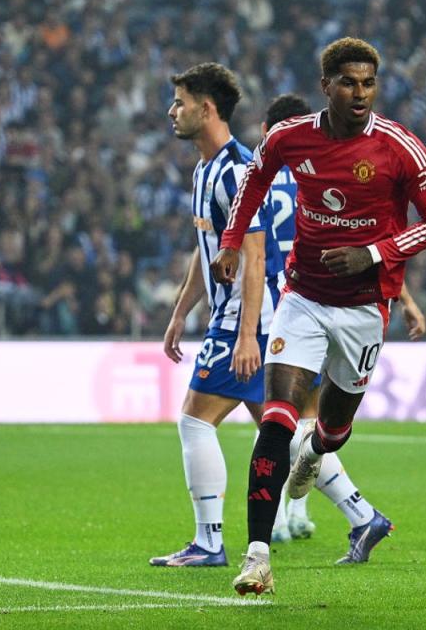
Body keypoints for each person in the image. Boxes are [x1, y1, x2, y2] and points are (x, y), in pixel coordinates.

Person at [210, 38, 426, 595]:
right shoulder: (291, 137)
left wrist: (373, 254)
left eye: (368, 82)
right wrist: (230, 241)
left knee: (335, 428)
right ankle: (257, 557)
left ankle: (316, 453)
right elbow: (253, 182)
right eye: (348, 82)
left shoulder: (399, 147)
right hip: (302, 299)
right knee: (276, 419)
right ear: (327, 86)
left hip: (366, 308)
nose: (360, 92)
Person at [259, 94, 426, 546]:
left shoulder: (285, 177)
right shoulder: (314, 175)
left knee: (282, 423)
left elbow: (363, 243)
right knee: (299, 423)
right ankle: (304, 514)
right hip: (312, 303)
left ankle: (303, 516)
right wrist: (406, 299)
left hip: (289, 307)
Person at [148, 62, 281, 568]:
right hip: (236, 319)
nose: (171, 111)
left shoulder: (239, 172)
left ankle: (209, 542)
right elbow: (207, 253)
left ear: (207, 109)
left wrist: (247, 335)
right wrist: (180, 313)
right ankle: (360, 513)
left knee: (194, 422)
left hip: (247, 320)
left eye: (180, 101)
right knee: (278, 433)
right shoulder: (205, 170)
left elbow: (254, 254)